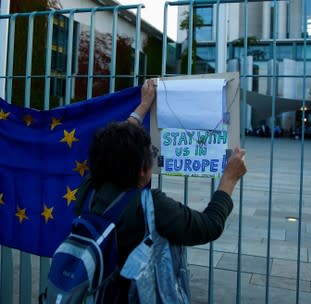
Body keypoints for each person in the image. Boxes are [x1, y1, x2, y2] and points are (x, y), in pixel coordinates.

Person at [73, 79, 247, 303]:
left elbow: (113, 150)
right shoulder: (149, 206)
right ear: (143, 172)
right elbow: (208, 226)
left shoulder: (87, 191)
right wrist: (229, 180)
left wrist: (143, 107)